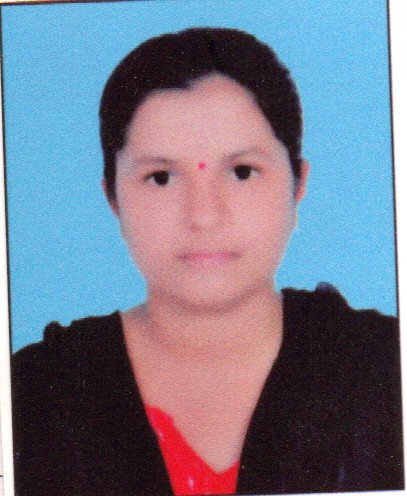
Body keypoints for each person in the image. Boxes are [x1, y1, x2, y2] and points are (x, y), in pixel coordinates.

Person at [11, 27, 403, 496]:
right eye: (161, 177)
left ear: (298, 184)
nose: (204, 216)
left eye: (242, 172)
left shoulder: (386, 368)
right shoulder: (34, 392)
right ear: (112, 196)